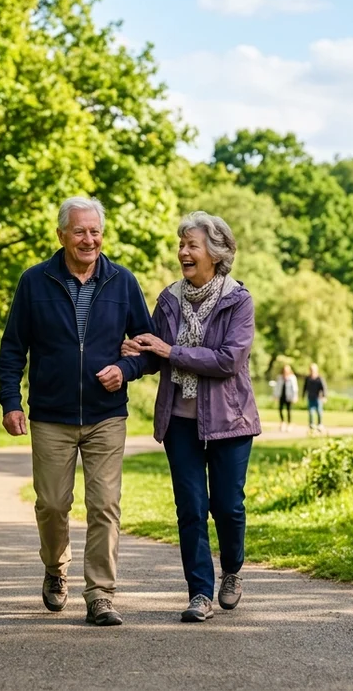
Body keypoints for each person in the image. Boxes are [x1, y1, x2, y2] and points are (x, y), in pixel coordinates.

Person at [0, 196, 153, 627]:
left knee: (104, 504)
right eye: (81, 231)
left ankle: (100, 594)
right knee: (51, 504)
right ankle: (55, 568)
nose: (89, 239)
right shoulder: (34, 281)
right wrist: (11, 401)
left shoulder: (122, 282)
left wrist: (125, 369)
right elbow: (12, 349)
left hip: (106, 415)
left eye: (96, 231)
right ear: (62, 234)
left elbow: (149, 348)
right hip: (51, 415)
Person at [122, 211, 261, 623]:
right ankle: (200, 593)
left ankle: (232, 570)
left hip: (228, 422)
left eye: (191, 245)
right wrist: (137, 352)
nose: (183, 252)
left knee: (229, 506)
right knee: (190, 508)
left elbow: (228, 361)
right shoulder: (168, 300)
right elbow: (156, 356)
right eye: (181, 244)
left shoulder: (238, 301)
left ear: (215, 254)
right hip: (179, 421)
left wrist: (168, 351)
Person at [272, 364, 298, 432]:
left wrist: (295, 396)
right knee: (280, 409)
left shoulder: (292, 377)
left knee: (289, 410)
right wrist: (275, 395)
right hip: (281, 396)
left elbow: (295, 388)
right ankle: (282, 422)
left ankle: (289, 423)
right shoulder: (280, 377)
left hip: (289, 396)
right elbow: (277, 387)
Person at [303, 363, 327, 432]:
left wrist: (324, 396)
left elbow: (324, 388)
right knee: (311, 412)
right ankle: (311, 425)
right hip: (310, 397)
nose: (312, 371)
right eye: (311, 370)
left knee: (319, 412)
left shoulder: (319, 378)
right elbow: (305, 387)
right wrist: (303, 395)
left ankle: (320, 424)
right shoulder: (308, 378)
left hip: (318, 398)